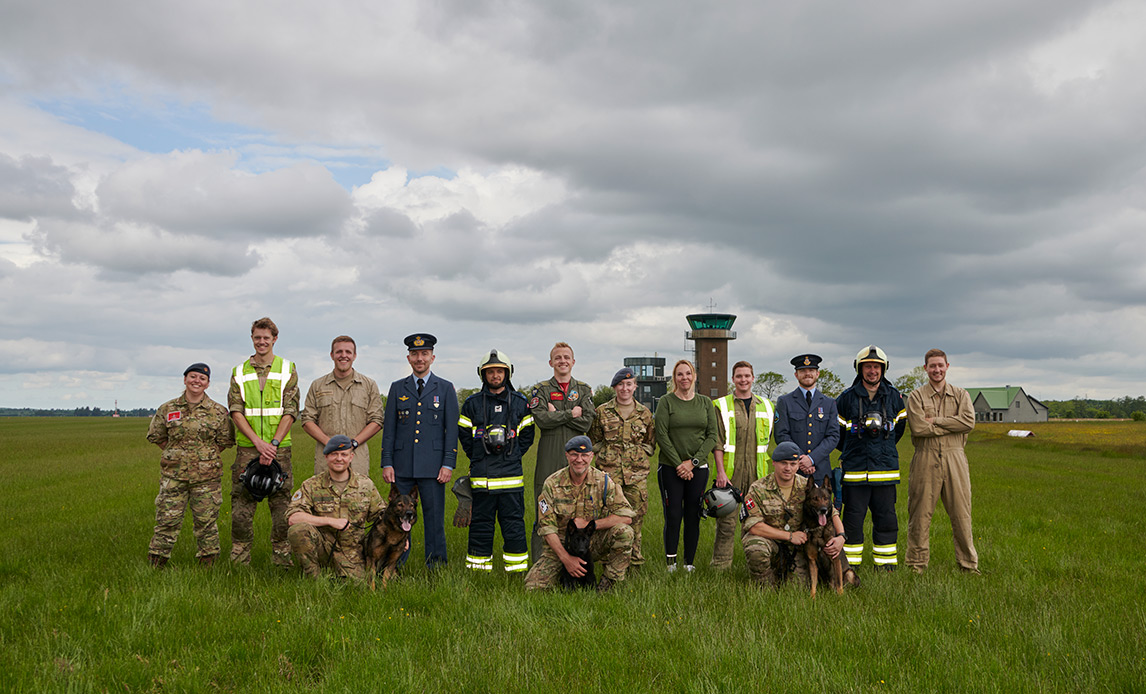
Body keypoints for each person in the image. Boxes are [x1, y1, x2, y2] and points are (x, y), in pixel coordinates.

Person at [380, 333, 459, 569]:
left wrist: (448, 463)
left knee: (434, 520)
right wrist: (387, 462)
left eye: (424, 354)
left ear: (432, 357)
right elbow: (390, 430)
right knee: (397, 519)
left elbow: (451, 430)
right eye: (415, 354)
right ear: (408, 358)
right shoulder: (397, 388)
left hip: (434, 468)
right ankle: (396, 565)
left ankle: (436, 566)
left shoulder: (445, 388)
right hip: (402, 466)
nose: (419, 358)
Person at [146, 363, 235, 567]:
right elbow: (157, 436)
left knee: (206, 522)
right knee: (167, 520)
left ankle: (208, 565)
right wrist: (176, 454)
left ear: (208, 383)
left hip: (206, 479)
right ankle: (156, 563)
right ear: (185, 379)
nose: (197, 381)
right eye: (193, 377)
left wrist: (202, 457)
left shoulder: (218, 412)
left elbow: (224, 441)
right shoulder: (168, 409)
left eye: (202, 378)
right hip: (173, 476)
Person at [229, 316, 299, 568]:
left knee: (281, 506)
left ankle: (281, 559)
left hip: (279, 450)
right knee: (241, 506)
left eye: (266, 338)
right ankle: (239, 560)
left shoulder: (287, 369)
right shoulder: (239, 372)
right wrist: (258, 443)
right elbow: (236, 411)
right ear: (252, 339)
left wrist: (273, 443)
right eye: (257, 338)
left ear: (274, 340)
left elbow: (291, 410)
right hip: (248, 449)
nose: (261, 342)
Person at [457, 350, 536, 573]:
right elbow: (463, 434)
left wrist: (512, 454)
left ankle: (517, 571)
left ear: (507, 373)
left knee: (514, 526)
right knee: (481, 527)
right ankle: (479, 571)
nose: (495, 376)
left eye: (499, 371)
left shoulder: (520, 402)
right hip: (482, 480)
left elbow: (528, 435)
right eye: (490, 372)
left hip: (511, 479)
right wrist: (477, 456)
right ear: (483, 375)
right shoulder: (472, 403)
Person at [525, 436, 636, 592]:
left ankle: (608, 583)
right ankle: (563, 575)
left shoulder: (603, 481)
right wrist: (566, 559)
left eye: (584, 455)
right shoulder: (552, 483)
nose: (579, 460)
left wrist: (592, 525)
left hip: (592, 541)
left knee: (625, 533)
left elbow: (626, 516)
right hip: (562, 545)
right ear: (567, 456)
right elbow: (547, 528)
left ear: (591, 456)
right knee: (533, 588)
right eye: (574, 454)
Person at [905, 349, 979, 574]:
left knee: (962, 514)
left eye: (940, 365)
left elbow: (968, 422)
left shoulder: (961, 395)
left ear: (947, 366)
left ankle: (968, 565)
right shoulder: (916, 397)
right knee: (920, 515)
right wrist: (950, 424)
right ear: (925, 368)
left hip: (955, 457)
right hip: (925, 458)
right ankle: (916, 566)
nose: (936, 370)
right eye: (932, 366)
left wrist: (935, 421)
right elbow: (918, 427)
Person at [835, 345, 906, 571]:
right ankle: (850, 566)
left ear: (883, 369)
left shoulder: (895, 397)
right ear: (859, 369)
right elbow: (837, 435)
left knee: (886, 519)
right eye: (867, 367)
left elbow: (899, 430)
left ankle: (885, 565)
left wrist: (882, 448)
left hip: (885, 472)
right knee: (853, 521)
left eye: (876, 367)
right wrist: (854, 450)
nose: (872, 371)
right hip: (855, 473)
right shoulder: (846, 398)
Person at [741, 442, 847, 587]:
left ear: (798, 465)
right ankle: (765, 585)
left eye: (792, 463)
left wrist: (841, 537)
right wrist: (790, 536)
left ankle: (784, 574)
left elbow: (832, 512)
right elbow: (754, 527)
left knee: (798, 588)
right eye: (783, 463)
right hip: (770, 541)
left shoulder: (807, 487)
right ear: (774, 463)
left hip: (797, 547)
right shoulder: (758, 489)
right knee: (755, 547)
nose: (788, 468)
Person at [528, 342, 594, 562]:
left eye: (567, 357)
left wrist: (557, 414)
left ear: (573, 362)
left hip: (577, 462)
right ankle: (541, 563)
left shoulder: (583, 389)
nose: (562, 361)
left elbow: (586, 421)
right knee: (544, 514)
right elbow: (541, 419)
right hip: (549, 458)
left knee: (578, 516)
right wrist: (570, 414)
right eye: (558, 358)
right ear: (551, 363)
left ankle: (576, 561)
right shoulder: (541, 389)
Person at [286, 435, 385, 580]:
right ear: (326, 457)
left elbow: (382, 516)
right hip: (323, 548)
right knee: (298, 530)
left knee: (358, 586)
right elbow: (293, 518)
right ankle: (314, 578)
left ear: (351, 457)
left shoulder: (365, 485)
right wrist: (329, 521)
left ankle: (344, 571)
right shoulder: (312, 485)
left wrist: (401, 536)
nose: (339, 459)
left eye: (344, 454)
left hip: (353, 551)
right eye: (334, 454)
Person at [587, 367, 656, 568]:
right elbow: (594, 440)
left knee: (635, 519)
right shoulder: (602, 412)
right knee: (610, 519)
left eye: (628, 384)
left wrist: (636, 454)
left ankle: (633, 563)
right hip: (609, 477)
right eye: (620, 385)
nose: (624, 388)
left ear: (635, 386)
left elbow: (650, 442)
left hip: (636, 477)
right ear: (615, 387)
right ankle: (609, 563)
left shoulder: (644, 413)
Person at [654, 359, 718, 573]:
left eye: (688, 374)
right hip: (670, 468)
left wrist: (693, 463)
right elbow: (661, 435)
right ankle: (671, 563)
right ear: (675, 378)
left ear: (694, 376)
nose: (684, 378)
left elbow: (712, 436)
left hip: (698, 469)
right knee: (673, 515)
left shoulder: (705, 403)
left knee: (693, 515)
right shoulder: (666, 401)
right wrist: (679, 464)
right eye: (680, 374)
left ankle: (688, 563)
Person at [710, 360, 774, 570]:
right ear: (733, 379)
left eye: (747, 376)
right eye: (739, 376)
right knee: (727, 524)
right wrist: (720, 472)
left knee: (756, 523)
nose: (743, 380)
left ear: (753, 378)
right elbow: (717, 442)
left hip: (758, 477)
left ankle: (757, 566)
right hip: (729, 474)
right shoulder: (721, 405)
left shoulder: (767, 406)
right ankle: (720, 567)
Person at [300, 335, 384, 477]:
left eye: (348, 352)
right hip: (326, 459)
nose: (343, 356)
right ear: (332, 355)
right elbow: (307, 420)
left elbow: (377, 420)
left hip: (357, 460)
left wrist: (353, 444)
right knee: (324, 498)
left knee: (358, 498)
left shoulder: (369, 385)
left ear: (354, 355)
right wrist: (330, 443)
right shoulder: (317, 385)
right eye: (339, 352)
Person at [774, 354, 840, 486]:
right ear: (796, 375)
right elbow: (781, 435)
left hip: (821, 472)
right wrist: (801, 460)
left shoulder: (829, 403)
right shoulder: (784, 401)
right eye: (803, 371)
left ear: (817, 374)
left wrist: (812, 459)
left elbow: (833, 436)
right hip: (793, 471)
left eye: (811, 370)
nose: (807, 374)